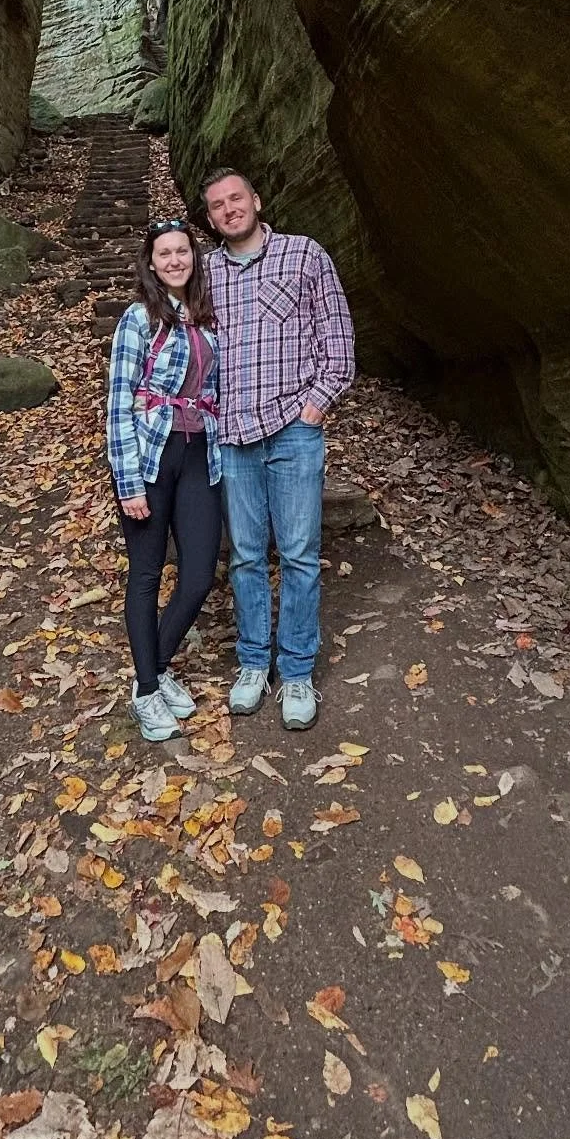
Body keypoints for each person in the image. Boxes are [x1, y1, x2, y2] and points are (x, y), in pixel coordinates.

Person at [202, 168, 355, 730]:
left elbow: (338, 344)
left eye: (235, 198)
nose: (228, 210)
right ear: (211, 216)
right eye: (217, 205)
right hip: (234, 435)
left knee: (297, 554)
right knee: (244, 556)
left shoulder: (304, 255)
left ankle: (295, 672)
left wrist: (313, 408)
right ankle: (251, 663)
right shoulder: (207, 272)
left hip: (293, 430)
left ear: (257, 201)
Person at [106, 220, 223, 743]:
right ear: (150, 263)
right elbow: (117, 405)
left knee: (198, 575)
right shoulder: (139, 319)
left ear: (193, 258)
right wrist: (128, 483)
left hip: (199, 453)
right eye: (164, 254)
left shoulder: (206, 318)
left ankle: (156, 669)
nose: (175, 260)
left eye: (183, 251)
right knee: (147, 575)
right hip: (150, 459)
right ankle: (147, 688)